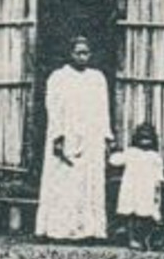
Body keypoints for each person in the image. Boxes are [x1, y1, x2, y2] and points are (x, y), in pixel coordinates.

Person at [35, 36, 112, 241]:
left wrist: (106, 137)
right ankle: (58, 230)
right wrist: (58, 136)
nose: (82, 57)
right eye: (78, 52)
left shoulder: (97, 78)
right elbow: (53, 108)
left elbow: (103, 109)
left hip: (91, 137)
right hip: (67, 134)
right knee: (63, 182)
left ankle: (88, 231)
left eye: (86, 53)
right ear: (70, 54)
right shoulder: (58, 77)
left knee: (89, 182)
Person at [109, 122, 164, 250]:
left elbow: (159, 174)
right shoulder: (131, 153)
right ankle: (132, 238)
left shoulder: (155, 157)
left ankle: (143, 239)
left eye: (148, 139)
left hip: (147, 189)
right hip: (131, 188)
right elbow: (115, 160)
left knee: (145, 215)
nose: (145, 142)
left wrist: (159, 186)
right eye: (142, 138)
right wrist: (113, 150)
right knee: (131, 215)